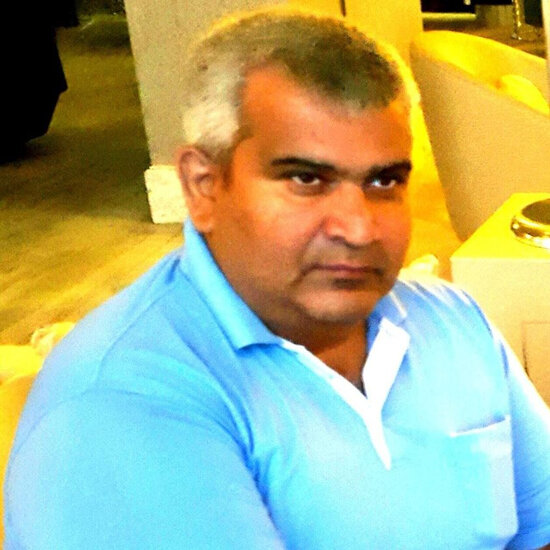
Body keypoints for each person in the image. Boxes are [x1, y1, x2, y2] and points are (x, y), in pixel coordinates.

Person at [4, 8, 550, 549]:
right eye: (306, 179)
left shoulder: (452, 320)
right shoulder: (122, 402)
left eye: (384, 182)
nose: (359, 228)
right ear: (202, 186)